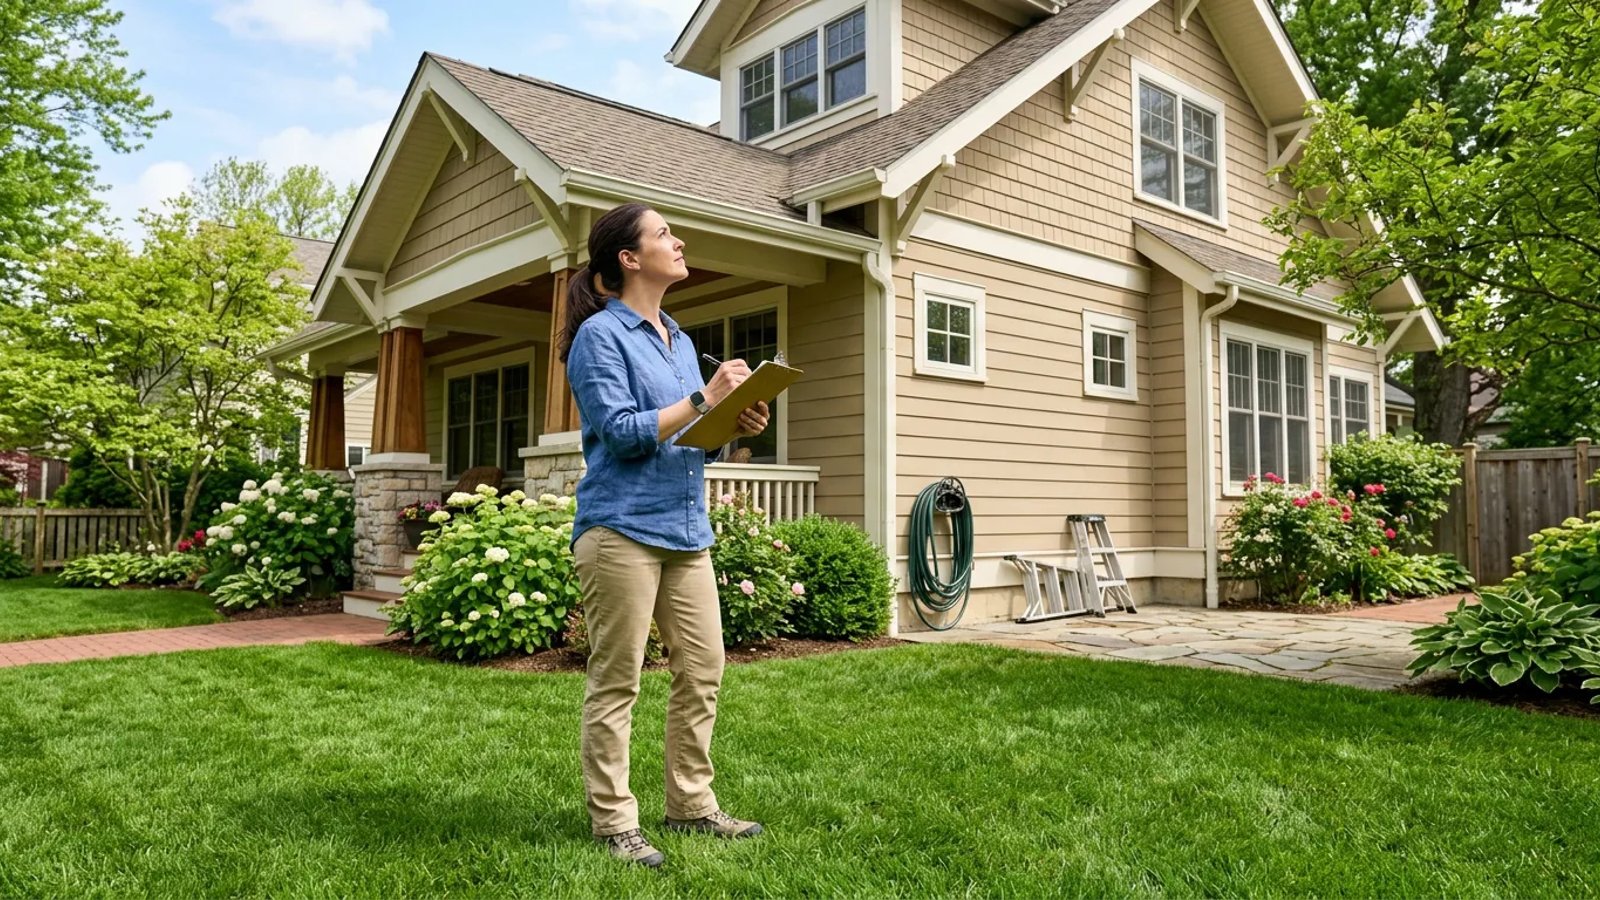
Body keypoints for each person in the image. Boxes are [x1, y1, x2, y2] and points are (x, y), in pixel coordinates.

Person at [561, 202, 771, 868]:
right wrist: (707, 399)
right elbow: (622, 434)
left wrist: (730, 426)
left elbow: (686, 437)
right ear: (628, 258)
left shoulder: (679, 339)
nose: (678, 242)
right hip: (619, 529)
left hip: (685, 529)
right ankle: (615, 822)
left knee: (703, 670)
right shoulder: (600, 336)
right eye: (663, 235)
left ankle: (691, 805)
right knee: (618, 680)